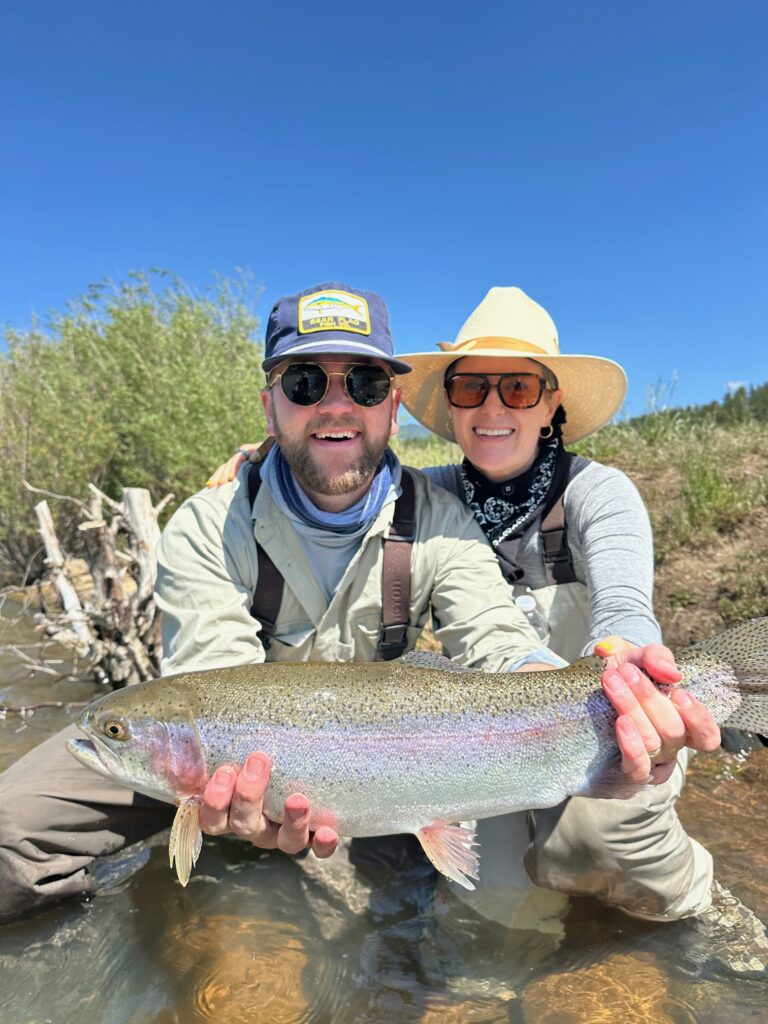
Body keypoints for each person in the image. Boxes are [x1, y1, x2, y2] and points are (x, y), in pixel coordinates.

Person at [0, 284, 717, 929]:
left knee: (527, 878)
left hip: (388, 758)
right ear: (270, 405)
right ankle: (82, 948)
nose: (336, 406)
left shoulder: (447, 515)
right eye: (306, 384)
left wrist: (614, 698)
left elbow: (501, 642)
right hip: (252, 766)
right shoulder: (209, 521)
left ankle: (698, 927)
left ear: (394, 407)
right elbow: (215, 688)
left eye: (366, 383)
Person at [203, 287, 767, 963]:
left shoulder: (597, 493)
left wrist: (632, 671)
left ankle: (701, 925)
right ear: (452, 406)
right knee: (489, 904)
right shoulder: (429, 495)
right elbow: (346, 469)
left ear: (552, 402)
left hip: (601, 722)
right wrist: (261, 465)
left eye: (519, 387)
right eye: (472, 388)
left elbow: (623, 614)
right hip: (477, 743)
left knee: (591, 843)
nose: (494, 407)